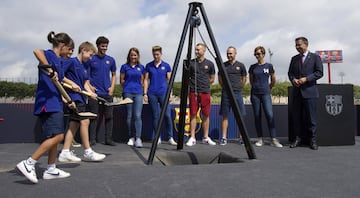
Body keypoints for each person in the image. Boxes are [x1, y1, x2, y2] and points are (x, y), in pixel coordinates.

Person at [16, 31, 74, 184]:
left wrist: (68, 100)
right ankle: (29, 163)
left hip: (56, 101)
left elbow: (58, 86)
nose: (69, 52)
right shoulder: (49, 54)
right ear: (61, 45)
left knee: (54, 136)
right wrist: (49, 69)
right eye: (68, 48)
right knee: (58, 137)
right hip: (47, 103)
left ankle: (50, 169)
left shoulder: (59, 62)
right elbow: (36, 51)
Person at [58, 41, 106, 162]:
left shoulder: (85, 66)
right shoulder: (71, 62)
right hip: (73, 97)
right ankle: (87, 151)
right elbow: (59, 76)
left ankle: (65, 151)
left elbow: (85, 83)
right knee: (85, 121)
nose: (90, 58)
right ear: (83, 50)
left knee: (74, 124)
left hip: (81, 98)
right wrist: (72, 84)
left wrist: (91, 93)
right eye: (90, 55)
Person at [288, 37, 323, 150]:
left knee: (311, 119)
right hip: (297, 92)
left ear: (306, 44)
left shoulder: (315, 57)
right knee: (297, 117)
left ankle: (312, 140)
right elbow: (290, 73)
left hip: (310, 92)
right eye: (296, 45)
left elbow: (319, 72)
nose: (297, 47)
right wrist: (293, 80)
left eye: (299, 45)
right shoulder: (294, 59)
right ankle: (297, 139)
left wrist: (306, 79)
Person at [249, 46, 283, 148]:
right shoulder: (252, 67)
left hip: (266, 94)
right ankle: (260, 139)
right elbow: (251, 80)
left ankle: (273, 139)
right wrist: (256, 87)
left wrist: (268, 88)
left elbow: (273, 79)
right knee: (257, 116)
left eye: (259, 54)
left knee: (269, 115)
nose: (257, 56)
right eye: (255, 54)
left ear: (263, 54)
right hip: (255, 94)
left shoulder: (269, 66)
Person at [86, 36, 117, 146]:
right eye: (102, 46)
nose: (104, 48)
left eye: (106, 46)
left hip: (107, 94)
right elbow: (86, 76)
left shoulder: (111, 60)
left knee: (109, 117)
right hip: (94, 94)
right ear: (98, 46)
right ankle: (92, 139)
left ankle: (108, 139)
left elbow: (114, 75)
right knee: (93, 116)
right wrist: (90, 87)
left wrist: (112, 88)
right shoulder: (91, 59)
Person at [143, 46, 177, 146]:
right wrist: (145, 93)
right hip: (152, 93)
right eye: (154, 54)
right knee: (155, 116)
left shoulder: (166, 66)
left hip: (163, 93)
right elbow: (146, 80)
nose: (156, 56)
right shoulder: (148, 65)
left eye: (157, 54)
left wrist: (170, 93)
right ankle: (158, 137)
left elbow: (170, 80)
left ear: (161, 54)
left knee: (167, 115)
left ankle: (170, 137)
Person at [186, 43, 216, 146]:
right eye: (196, 49)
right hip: (193, 92)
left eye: (198, 50)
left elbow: (212, 78)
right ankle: (192, 137)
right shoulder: (191, 63)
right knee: (193, 114)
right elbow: (187, 78)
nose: (196, 51)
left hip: (205, 92)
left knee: (206, 115)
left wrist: (205, 84)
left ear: (204, 50)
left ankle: (205, 137)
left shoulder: (210, 64)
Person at [218, 46, 247, 146]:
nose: (229, 55)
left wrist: (239, 87)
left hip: (237, 93)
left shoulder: (241, 65)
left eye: (231, 53)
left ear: (235, 53)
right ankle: (224, 138)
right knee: (225, 116)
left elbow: (244, 78)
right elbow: (220, 78)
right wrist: (225, 87)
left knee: (240, 116)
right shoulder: (223, 65)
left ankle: (241, 138)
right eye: (228, 53)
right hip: (226, 94)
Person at [120, 47, 146, 148]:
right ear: (129, 56)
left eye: (135, 55)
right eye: (132, 55)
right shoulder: (124, 66)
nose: (133, 57)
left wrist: (143, 90)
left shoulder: (141, 67)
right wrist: (127, 87)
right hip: (128, 92)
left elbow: (143, 80)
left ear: (137, 56)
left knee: (138, 115)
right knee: (129, 115)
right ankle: (131, 137)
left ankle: (138, 138)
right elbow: (122, 80)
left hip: (138, 92)